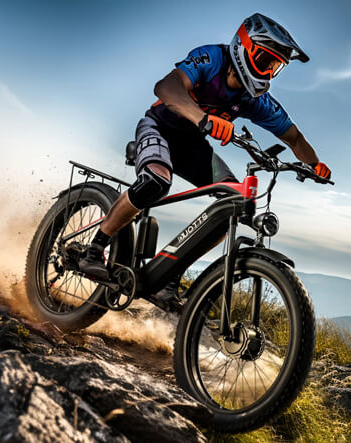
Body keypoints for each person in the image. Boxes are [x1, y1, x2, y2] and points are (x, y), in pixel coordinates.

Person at [79, 13, 331, 306]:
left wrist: (315, 164)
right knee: (157, 181)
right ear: (244, 47)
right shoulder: (212, 58)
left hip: (192, 146)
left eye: (275, 67)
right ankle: (93, 250)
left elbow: (294, 138)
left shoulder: (256, 100)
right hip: (159, 128)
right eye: (265, 60)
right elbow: (166, 88)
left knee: (232, 205)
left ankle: (170, 278)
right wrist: (204, 119)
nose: (268, 71)